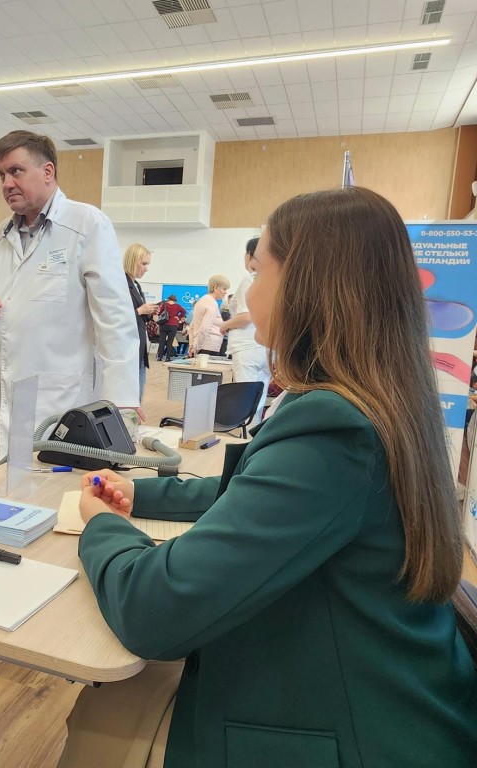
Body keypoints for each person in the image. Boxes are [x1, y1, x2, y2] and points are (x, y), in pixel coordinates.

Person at [60, 187, 477, 768]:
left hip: (351, 730)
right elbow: (262, 497)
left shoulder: (333, 427)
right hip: (396, 693)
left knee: (97, 729)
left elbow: (153, 608)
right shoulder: (384, 405)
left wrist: (102, 527)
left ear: (306, 284)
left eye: (258, 271)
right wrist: (144, 489)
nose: (248, 290)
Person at [0, 130, 142, 461]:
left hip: (62, 394)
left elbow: (115, 315)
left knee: (53, 481)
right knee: (12, 482)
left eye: (15, 171)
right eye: (1, 175)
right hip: (7, 389)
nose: (6, 183)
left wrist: (121, 400)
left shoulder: (87, 224)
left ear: (47, 172)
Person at [221, 236, 270, 425]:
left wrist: (224, 325)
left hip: (247, 348)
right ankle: (253, 438)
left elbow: (246, 316)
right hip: (265, 349)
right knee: (258, 399)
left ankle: (245, 441)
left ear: (250, 256)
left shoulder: (250, 279)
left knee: (245, 400)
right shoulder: (271, 281)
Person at [123, 244, 156, 413]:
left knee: (138, 393)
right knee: (130, 396)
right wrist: (140, 311)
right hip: (128, 347)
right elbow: (116, 316)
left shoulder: (136, 285)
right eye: (144, 264)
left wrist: (149, 313)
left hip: (139, 348)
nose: (146, 269)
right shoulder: (121, 283)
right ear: (133, 261)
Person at [188, 274, 230, 357]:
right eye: (224, 289)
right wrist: (196, 348)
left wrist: (192, 346)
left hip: (203, 346)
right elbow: (204, 328)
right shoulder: (212, 303)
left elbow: (192, 327)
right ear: (215, 288)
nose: (226, 292)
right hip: (208, 347)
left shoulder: (202, 300)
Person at [156, 295, 185, 362]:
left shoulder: (164, 305)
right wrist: (178, 317)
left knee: (162, 341)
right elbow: (184, 311)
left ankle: (159, 357)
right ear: (175, 300)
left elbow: (160, 313)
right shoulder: (178, 306)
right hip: (173, 325)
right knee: (170, 342)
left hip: (163, 324)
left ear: (169, 299)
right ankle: (168, 358)